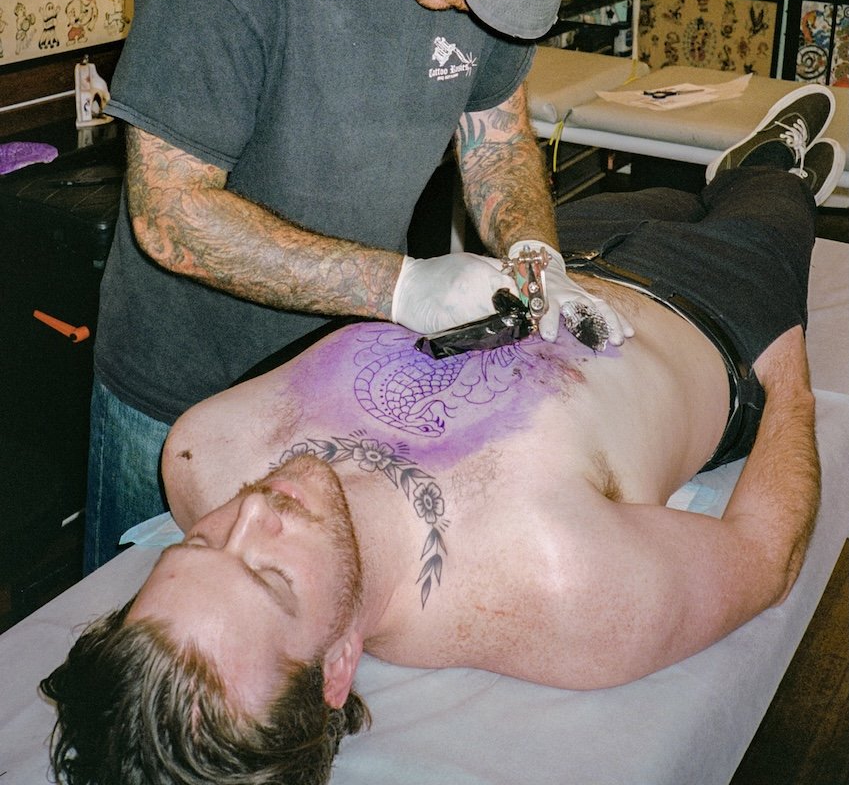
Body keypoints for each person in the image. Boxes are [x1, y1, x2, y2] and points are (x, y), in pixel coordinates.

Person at [43, 87, 845, 785]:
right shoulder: (558, 589)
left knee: (657, 194)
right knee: (770, 197)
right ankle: (774, 168)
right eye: (268, 575)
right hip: (709, 309)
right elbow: (764, 556)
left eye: (196, 547)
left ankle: (708, 186)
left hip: (546, 263)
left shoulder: (206, 452)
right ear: (337, 666)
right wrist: (786, 377)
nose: (252, 512)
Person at [85, 0, 626, 571]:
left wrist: (532, 256)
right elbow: (171, 215)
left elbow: (497, 140)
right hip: (183, 393)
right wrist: (402, 287)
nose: (484, 2)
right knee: (141, 640)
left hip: (342, 376)